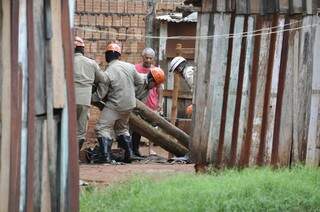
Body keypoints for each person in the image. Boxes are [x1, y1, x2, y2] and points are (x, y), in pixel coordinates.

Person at [92, 43, 145, 163]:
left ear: (107, 56)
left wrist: (91, 98)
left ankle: (105, 156)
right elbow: (140, 81)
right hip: (129, 105)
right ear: (119, 56)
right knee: (121, 128)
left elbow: (101, 94)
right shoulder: (130, 67)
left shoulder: (108, 71)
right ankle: (129, 154)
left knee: (102, 127)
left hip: (115, 105)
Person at [73, 36, 105, 154]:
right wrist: (98, 96)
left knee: (66, 127)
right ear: (83, 50)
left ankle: (64, 157)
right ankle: (74, 157)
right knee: (80, 131)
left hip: (68, 100)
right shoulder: (91, 63)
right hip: (84, 100)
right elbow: (103, 79)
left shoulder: (66, 61)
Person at [132, 48, 164, 156]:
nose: (148, 60)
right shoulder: (135, 68)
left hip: (151, 102)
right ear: (142, 56)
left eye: (151, 58)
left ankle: (151, 149)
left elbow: (160, 88)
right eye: (147, 57)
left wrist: (160, 102)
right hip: (139, 102)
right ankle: (135, 149)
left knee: (152, 127)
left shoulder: (156, 71)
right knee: (137, 126)